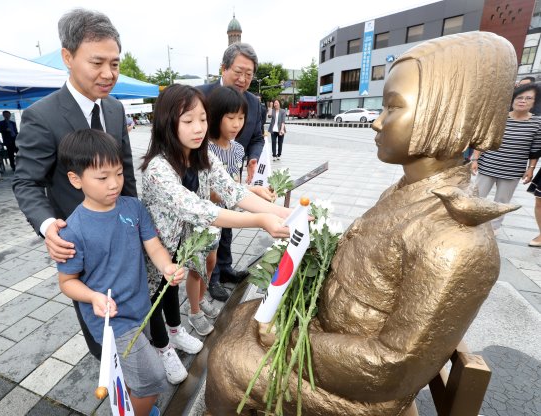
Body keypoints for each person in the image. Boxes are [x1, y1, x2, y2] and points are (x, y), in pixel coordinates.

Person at [206, 32, 518, 415]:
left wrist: (289, 343)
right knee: (238, 313)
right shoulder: (407, 191)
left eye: (393, 107)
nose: (376, 122)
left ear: (446, 113)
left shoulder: (457, 241)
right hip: (334, 333)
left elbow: (392, 366)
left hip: (362, 388)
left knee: (228, 362)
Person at [12, 8, 136, 360]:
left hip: (125, 237)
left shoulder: (114, 110)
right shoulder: (42, 115)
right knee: (104, 332)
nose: (109, 73)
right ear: (67, 57)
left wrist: (138, 223)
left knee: (136, 310)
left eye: (115, 63)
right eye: (97, 63)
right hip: (81, 246)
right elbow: (26, 183)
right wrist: (50, 226)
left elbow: (125, 172)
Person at [140, 84, 290, 340]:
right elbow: (201, 210)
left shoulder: (203, 153)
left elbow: (233, 191)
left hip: (187, 241)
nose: (199, 128)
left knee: (175, 289)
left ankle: (175, 332)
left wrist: (285, 213)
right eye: (188, 120)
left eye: (202, 119)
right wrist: (261, 220)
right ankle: (162, 345)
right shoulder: (157, 169)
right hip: (158, 248)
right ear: (167, 123)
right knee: (157, 293)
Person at [56, 129, 185, 416]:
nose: (114, 184)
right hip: (112, 321)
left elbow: (153, 247)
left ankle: (131, 403)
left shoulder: (133, 207)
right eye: (102, 178)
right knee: (153, 379)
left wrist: (167, 266)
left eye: (118, 173)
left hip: (141, 307)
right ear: (76, 179)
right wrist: (93, 297)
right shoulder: (73, 229)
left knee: (134, 374)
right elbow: (67, 281)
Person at [197, 42, 265, 286]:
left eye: (249, 74)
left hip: (232, 175)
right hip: (203, 179)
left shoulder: (254, 103)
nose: (243, 78)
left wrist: (253, 157)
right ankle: (210, 278)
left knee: (227, 228)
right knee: (210, 232)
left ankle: (225, 269)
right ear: (223, 68)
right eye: (238, 71)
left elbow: (257, 137)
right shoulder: (200, 95)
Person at [206, 86, 276, 301]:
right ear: (215, 116)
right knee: (211, 247)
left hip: (229, 206)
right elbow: (211, 192)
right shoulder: (205, 149)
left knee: (226, 239)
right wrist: (244, 192)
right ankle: (212, 280)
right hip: (210, 212)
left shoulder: (237, 148)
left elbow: (235, 180)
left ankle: (226, 269)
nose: (237, 124)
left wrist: (252, 192)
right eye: (230, 118)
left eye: (241, 118)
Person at [471, 82, 541, 231]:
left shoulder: (537, 123)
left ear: (534, 102)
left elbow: (535, 149)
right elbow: (484, 139)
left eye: (528, 98)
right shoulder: (499, 117)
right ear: (512, 100)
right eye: (519, 97)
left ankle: (494, 228)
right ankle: (472, 223)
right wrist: (475, 158)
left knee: (502, 202)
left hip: (512, 170)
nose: (522, 101)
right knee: (477, 196)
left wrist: (531, 169)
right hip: (488, 164)